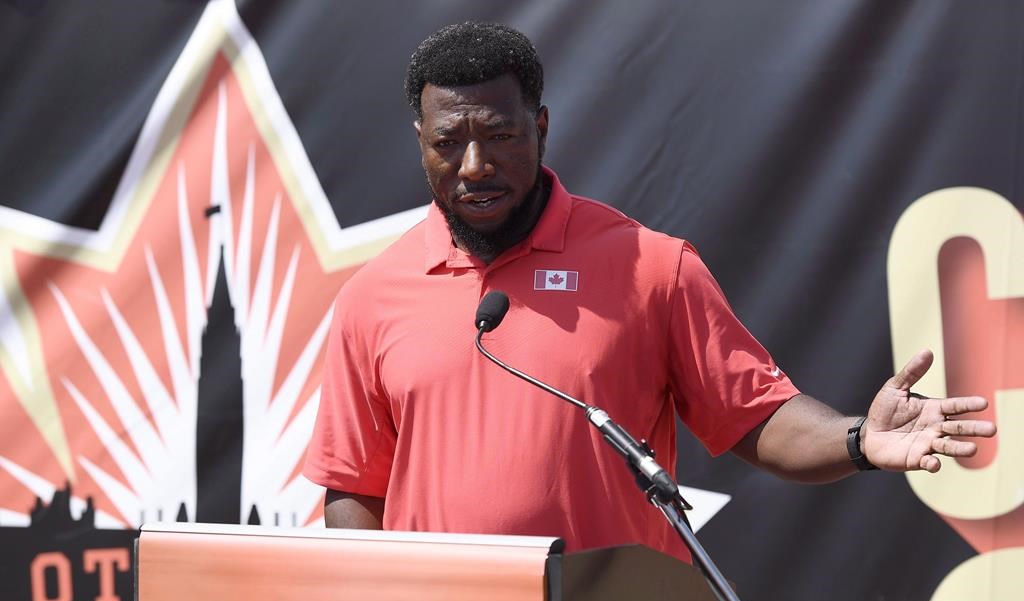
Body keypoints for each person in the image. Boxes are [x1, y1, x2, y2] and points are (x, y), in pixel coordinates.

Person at [302, 22, 995, 559]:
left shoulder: (647, 266)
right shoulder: (375, 295)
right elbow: (355, 487)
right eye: (449, 142)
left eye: (501, 135)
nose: (475, 164)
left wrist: (856, 438)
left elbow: (755, 418)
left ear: (540, 128)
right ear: (420, 139)